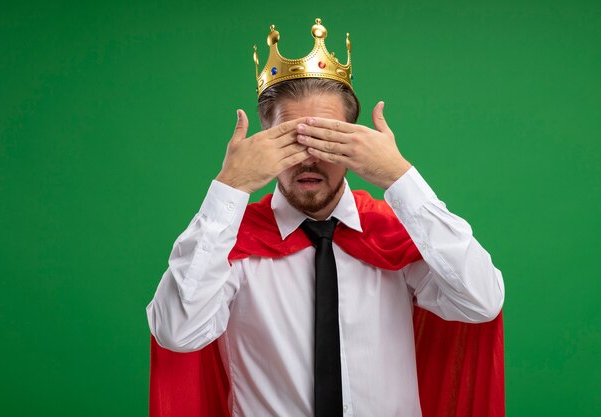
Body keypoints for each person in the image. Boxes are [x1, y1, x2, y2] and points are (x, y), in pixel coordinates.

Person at [147, 18, 505, 417]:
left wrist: (399, 177)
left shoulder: (393, 235)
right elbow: (177, 332)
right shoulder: (231, 246)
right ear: (264, 140)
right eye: (290, 139)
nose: (311, 155)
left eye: (328, 138)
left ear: (355, 142)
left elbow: (482, 301)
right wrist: (229, 188)